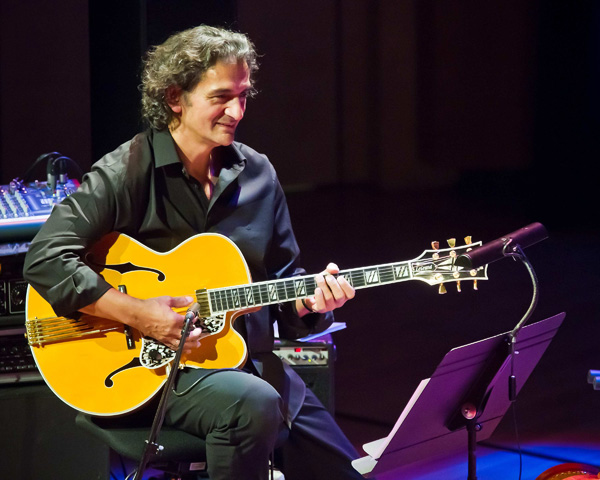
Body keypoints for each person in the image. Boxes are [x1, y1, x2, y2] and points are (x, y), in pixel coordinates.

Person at [23, 25, 364, 480]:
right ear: (175, 98)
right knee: (253, 404)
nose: (236, 111)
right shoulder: (126, 170)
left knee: (349, 471)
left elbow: (283, 287)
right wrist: (139, 313)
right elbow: (45, 258)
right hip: (152, 371)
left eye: (243, 96)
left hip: (250, 363)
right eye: (221, 97)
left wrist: (311, 303)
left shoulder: (258, 174)